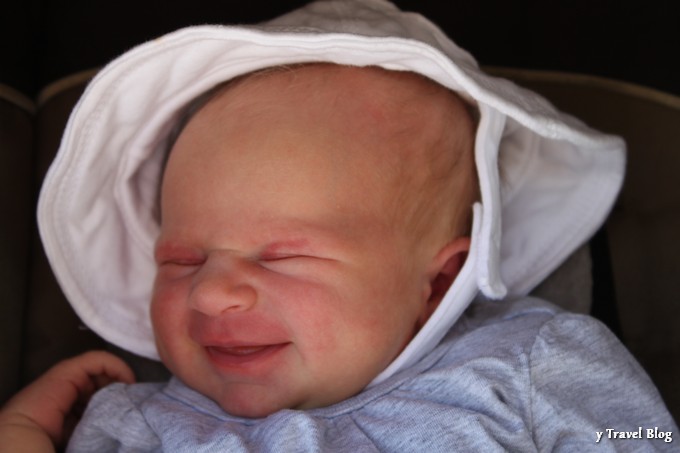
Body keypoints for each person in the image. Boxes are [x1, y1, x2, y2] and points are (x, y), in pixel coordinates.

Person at [1, 0, 677, 451]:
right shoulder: (132, 421)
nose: (210, 293)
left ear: (438, 283)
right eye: (181, 259)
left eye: (281, 256)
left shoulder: (528, 365)